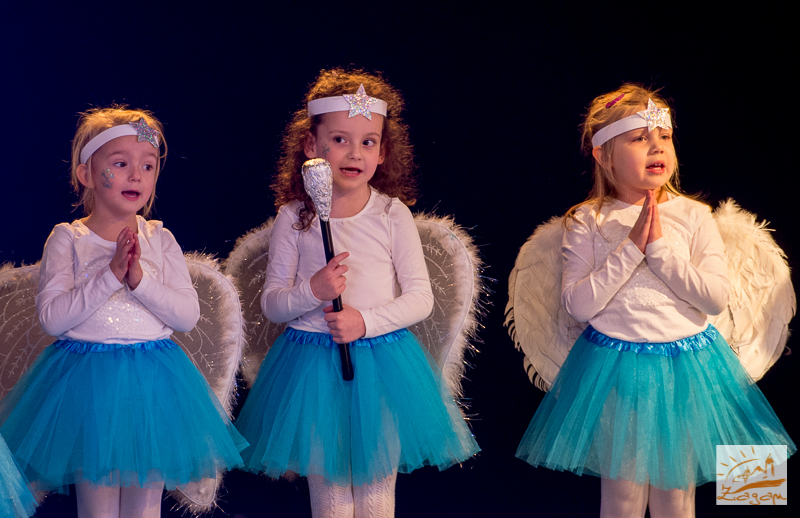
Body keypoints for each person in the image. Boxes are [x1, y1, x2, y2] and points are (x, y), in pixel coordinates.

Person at [515, 84, 795, 517]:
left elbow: (715, 299)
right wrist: (630, 248)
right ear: (604, 155)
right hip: (616, 370)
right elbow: (578, 305)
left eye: (664, 136)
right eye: (639, 138)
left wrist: (660, 250)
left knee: (677, 498)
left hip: (689, 368)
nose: (656, 146)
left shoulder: (694, 215)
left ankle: (749, 492)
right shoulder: (587, 220)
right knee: (623, 497)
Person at [235, 69, 479, 518]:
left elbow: (420, 298)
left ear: (383, 152)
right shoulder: (295, 217)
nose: (355, 153)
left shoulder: (391, 214)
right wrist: (314, 290)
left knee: (374, 494)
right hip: (311, 363)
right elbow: (272, 304)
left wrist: (363, 322)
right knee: (330, 496)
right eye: (340, 140)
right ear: (311, 146)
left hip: (381, 363)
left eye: (368, 142)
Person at [0, 106, 247, 518]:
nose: (136, 175)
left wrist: (138, 280)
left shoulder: (159, 238)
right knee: (97, 506)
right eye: (120, 164)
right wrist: (110, 275)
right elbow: (53, 319)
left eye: (147, 166)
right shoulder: (69, 238)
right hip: (88, 384)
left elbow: (186, 316)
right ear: (86, 174)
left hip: (153, 383)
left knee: (144, 507)